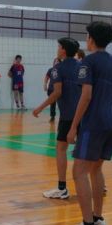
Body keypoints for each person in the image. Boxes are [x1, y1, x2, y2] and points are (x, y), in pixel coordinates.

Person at [64, 21, 112, 225]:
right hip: (111, 123)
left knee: (79, 171)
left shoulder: (87, 63)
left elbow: (86, 95)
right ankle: (98, 219)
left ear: (91, 38)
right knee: (96, 169)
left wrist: (73, 127)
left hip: (93, 124)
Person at [32, 38, 81, 200]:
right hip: (84, 114)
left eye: (59, 47)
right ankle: (99, 184)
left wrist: (40, 107)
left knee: (61, 149)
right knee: (86, 150)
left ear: (63, 50)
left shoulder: (57, 69)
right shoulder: (83, 66)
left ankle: (62, 188)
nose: (57, 49)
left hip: (68, 116)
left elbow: (57, 92)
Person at [42, 58, 59, 123]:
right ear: (53, 63)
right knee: (52, 103)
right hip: (51, 89)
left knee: (62, 104)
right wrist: (45, 84)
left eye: (58, 61)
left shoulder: (62, 70)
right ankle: (52, 116)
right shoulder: (51, 70)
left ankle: (63, 117)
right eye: (55, 61)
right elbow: (46, 78)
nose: (56, 62)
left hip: (59, 90)